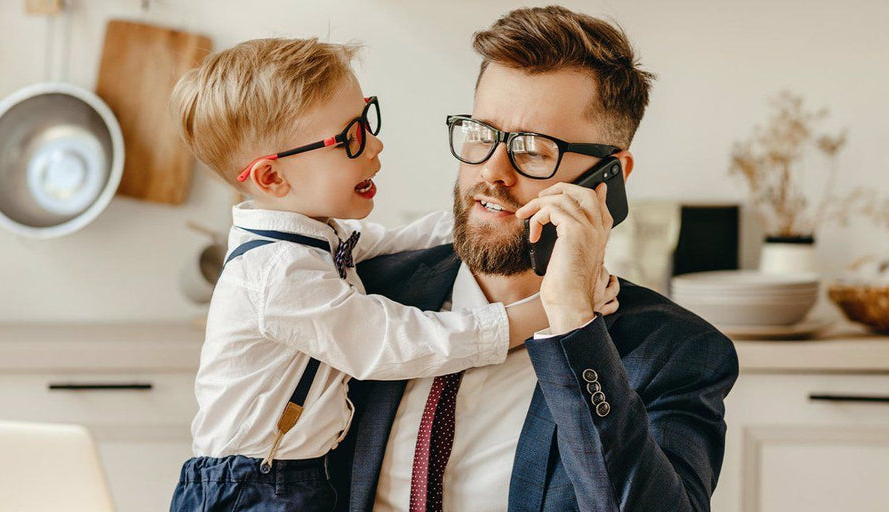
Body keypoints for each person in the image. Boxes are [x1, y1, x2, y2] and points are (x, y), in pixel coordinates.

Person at [166, 37, 621, 511]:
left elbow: (403, 236)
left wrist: (497, 210)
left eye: (366, 118)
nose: (376, 143)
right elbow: (397, 342)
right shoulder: (278, 273)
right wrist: (553, 309)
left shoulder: (315, 237)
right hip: (253, 488)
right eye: (350, 139)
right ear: (271, 179)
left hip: (291, 475)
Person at [329, 6, 739, 511]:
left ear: (610, 176)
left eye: (535, 150)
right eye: (482, 134)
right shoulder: (362, 292)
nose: (493, 171)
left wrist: (572, 325)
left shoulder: (675, 353)